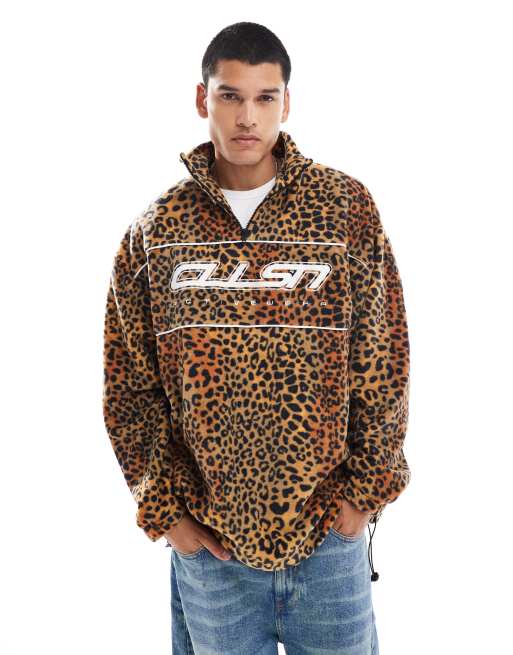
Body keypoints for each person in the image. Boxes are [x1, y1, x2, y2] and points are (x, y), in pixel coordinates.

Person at [102, 21, 411, 655]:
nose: (248, 116)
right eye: (230, 96)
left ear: (286, 103)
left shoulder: (342, 209)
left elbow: (384, 359)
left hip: (328, 541)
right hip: (212, 550)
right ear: (203, 99)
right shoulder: (157, 233)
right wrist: (169, 515)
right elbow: (128, 387)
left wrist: (362, 497)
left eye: (265, 97)